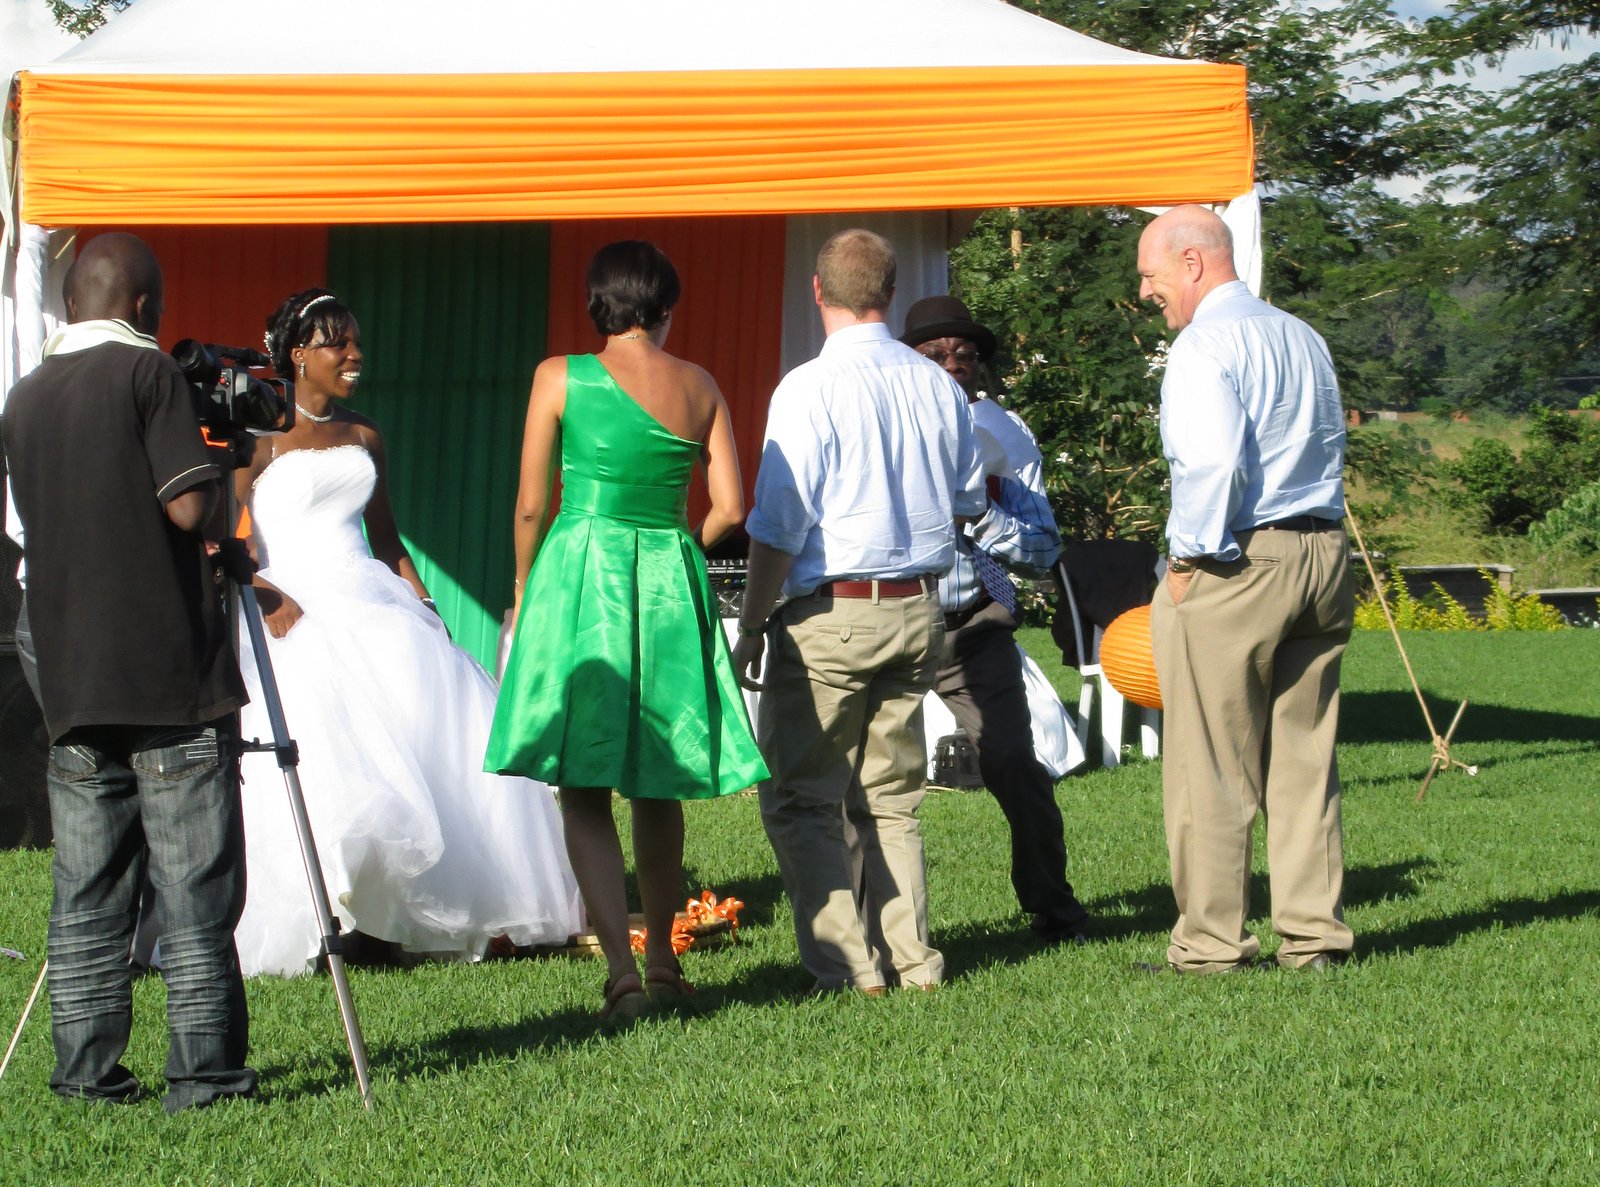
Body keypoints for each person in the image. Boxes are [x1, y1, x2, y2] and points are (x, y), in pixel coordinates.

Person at [231, 288, 582, 976]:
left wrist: (423, 603)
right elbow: (224, 542)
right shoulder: (258, 440)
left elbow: (387, 539)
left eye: (357, 342)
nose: (354, 355)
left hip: (371, 596)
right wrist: (266, 592)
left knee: (429, 742)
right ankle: (330, 910)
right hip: (292, 607)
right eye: (338, 343)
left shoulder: (365, 433)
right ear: (298, 354)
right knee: (328, 756)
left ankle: (399, 914)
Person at [1, 232, 256, 1110]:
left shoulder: (24, 397)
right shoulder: (149, 377)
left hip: (68, 668)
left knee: (86, 888)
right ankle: (205, 1073)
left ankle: (84, 1073)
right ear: (145, 307)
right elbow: (188, 504)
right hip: (164, 671)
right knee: (193, 884)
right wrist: (225, 463)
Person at [485, 242, 767, 1020]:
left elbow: (531, 505)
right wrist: (678, 548)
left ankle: (620, 970)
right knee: (655, 779)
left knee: (583, 781)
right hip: (666, 579)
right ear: (666, 307)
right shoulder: (701, 385)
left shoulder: (557, 376)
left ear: (597, 305)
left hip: (580, 575)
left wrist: (521, 587)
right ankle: (669, 960)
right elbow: (732, 510)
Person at [733, 230, 985, 994]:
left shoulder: (808, 387)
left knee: (803, 798)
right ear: (891, 290)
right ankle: (914, 961)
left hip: (833, 610)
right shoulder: (938, 384)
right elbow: (970, 497)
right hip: (918, 605)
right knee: (893, 799)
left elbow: (778, 526)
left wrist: (750, 623)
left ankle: (847, 967)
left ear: (819, 293)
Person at [1135, 205, 1356, 975]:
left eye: (1150, 272)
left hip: (1240, 559)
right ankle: (1314, 935)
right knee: (1305, 756)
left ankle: (1210, 942)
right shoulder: (1304, 336)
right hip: (1323, 551)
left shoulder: (1205, 344)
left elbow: (1213, 463)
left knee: (1211, 762)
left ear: (1193, 263)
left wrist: (1188, 558)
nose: (1144, 290)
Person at [899, 295, 1091, 946]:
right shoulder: (886, 419)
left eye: (965, 354)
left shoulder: (1003, 435)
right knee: (870, 776)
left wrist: (979, 512)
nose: (952, 365)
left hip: (972, 623)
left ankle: (1053, 906)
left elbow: (1044, 550)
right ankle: (879, 929)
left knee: (1013, 758)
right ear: (909, 362)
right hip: (891, 617)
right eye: (935, 355)